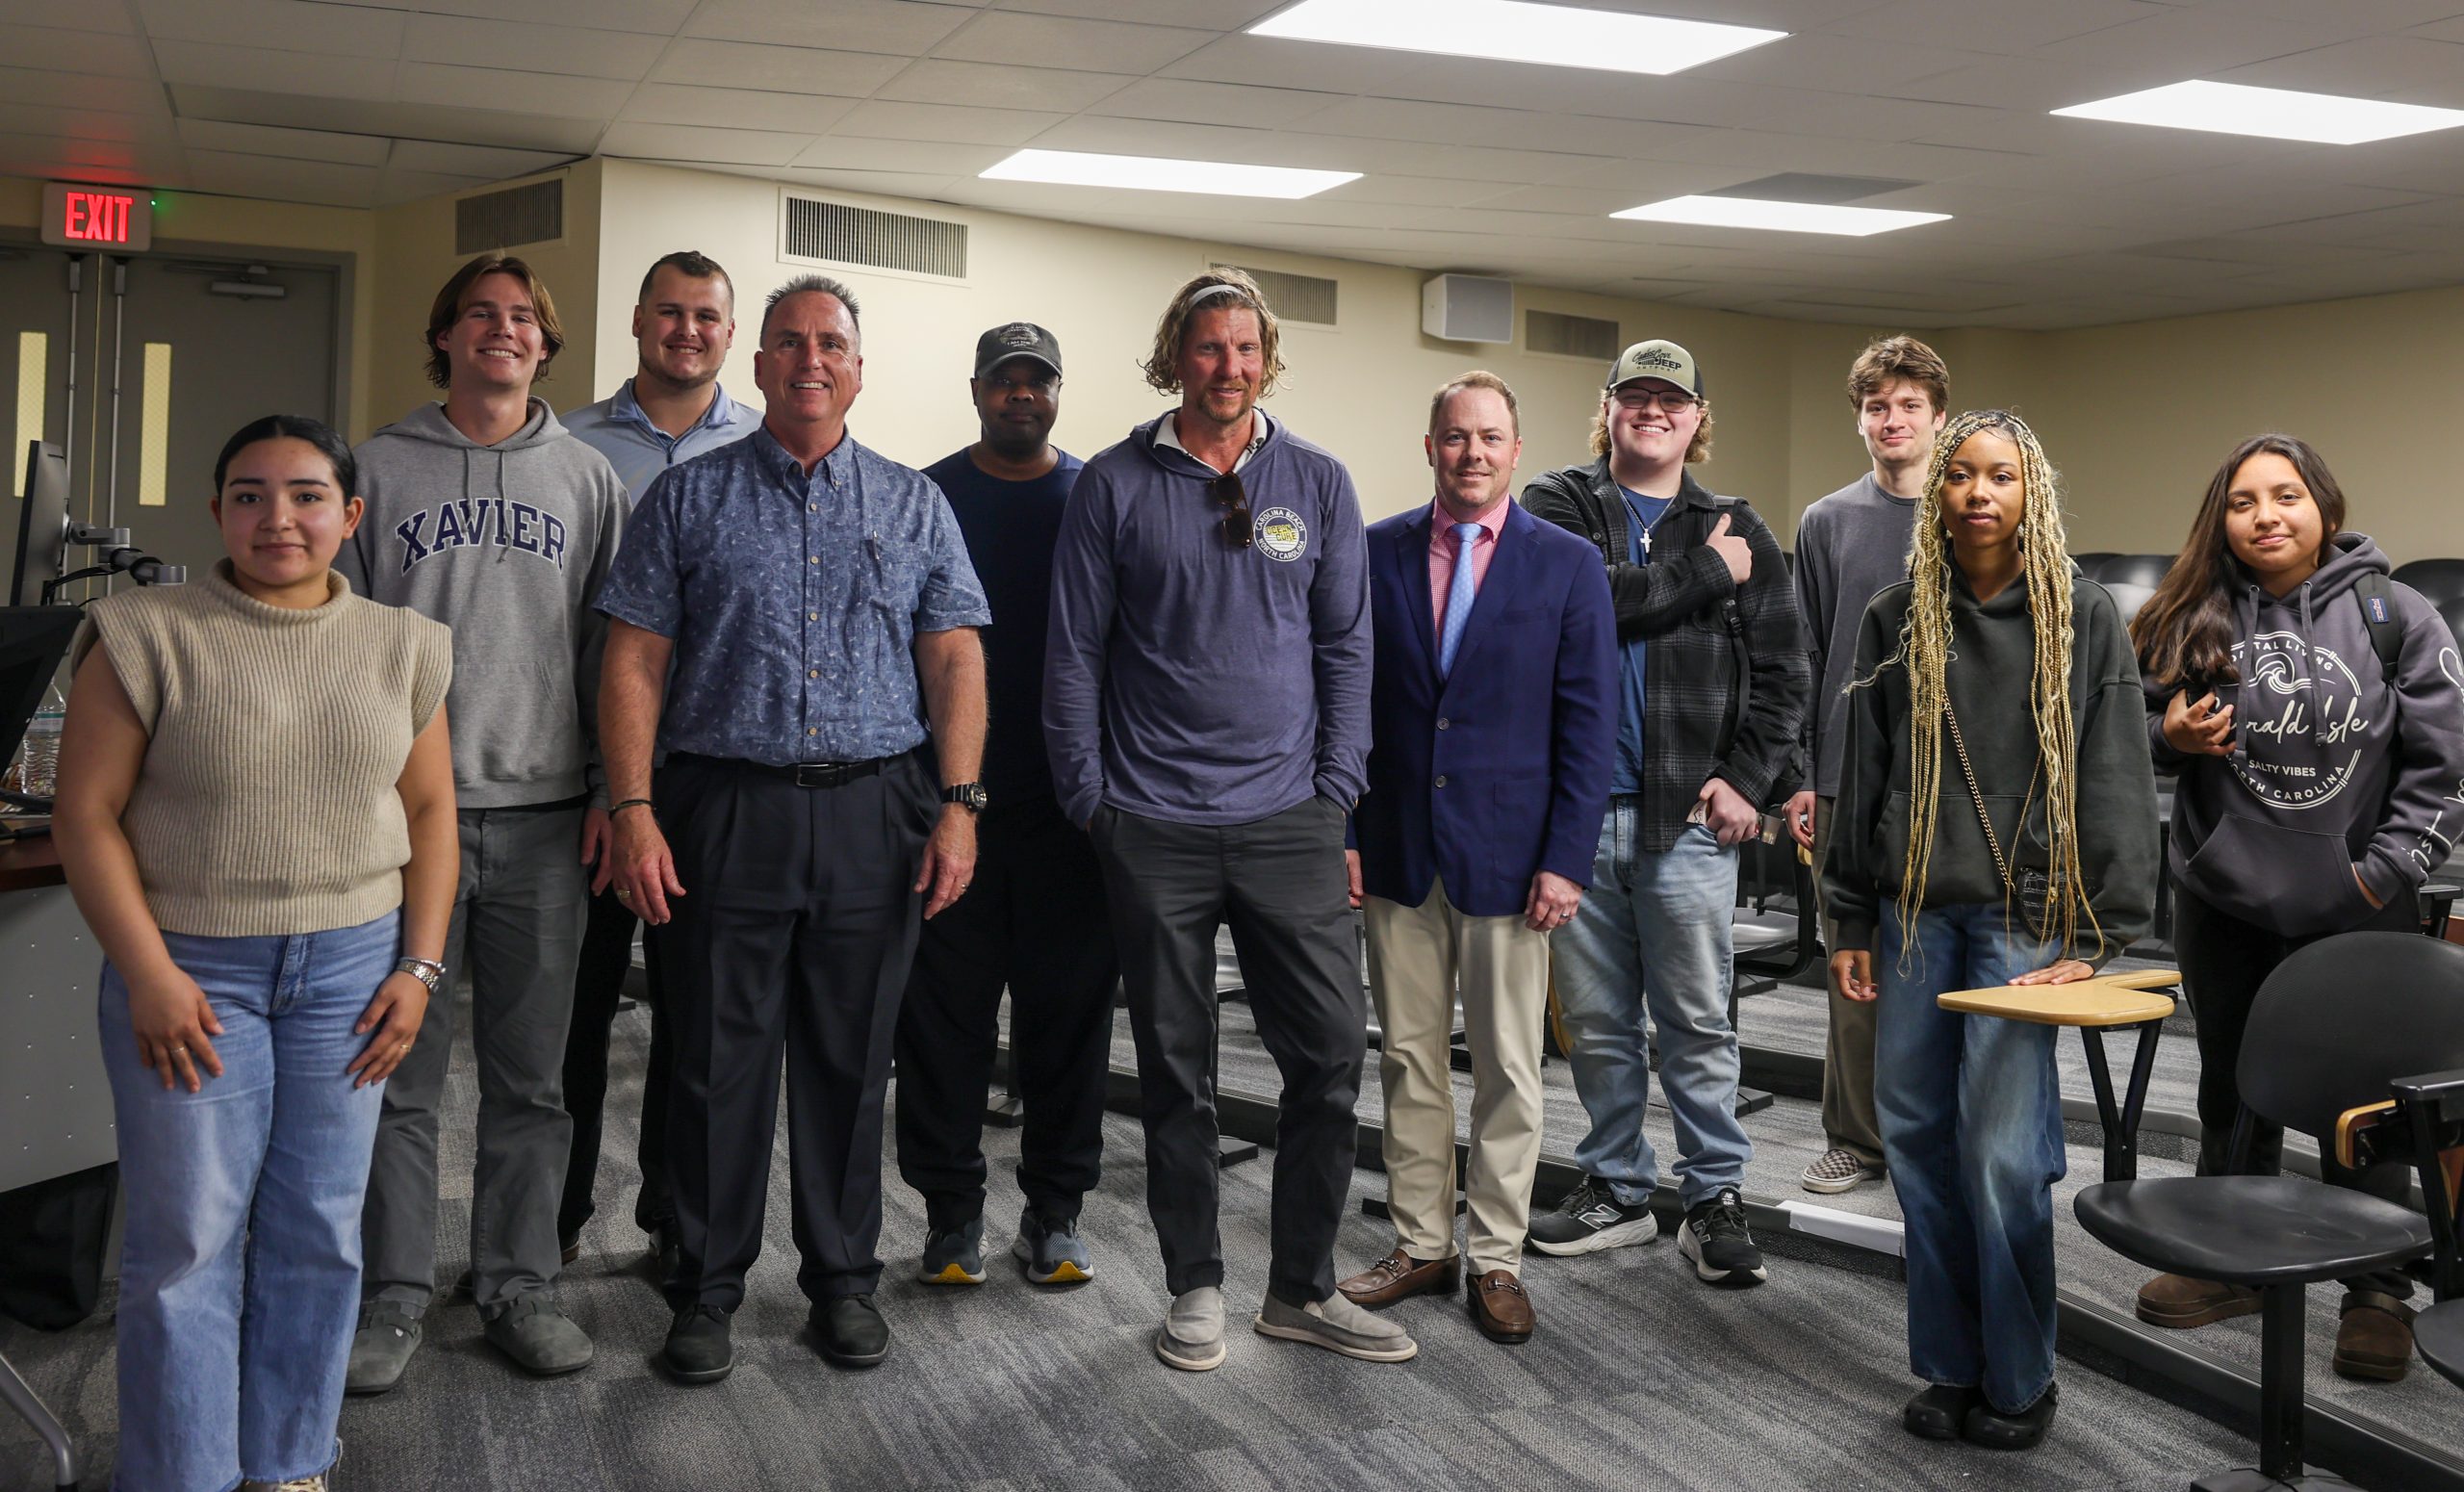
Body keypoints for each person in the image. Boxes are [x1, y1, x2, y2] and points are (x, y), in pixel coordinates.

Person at [597, 273, 990, 1385]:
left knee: (852, 1060)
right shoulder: (689, 497)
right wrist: (632, 808)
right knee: (713, 1060)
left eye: (831, 343)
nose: (810, 358)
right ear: (759, 363)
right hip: (726, 807)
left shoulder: (914, 503)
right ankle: (705, 1285)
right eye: (789, 341)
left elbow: (955, 658)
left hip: (877, 811)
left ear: (857, 369)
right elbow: (633, 659)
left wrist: (959, 807)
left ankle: (842, 1279)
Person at [54, 416, 455, 1492]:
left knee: (319, 1229)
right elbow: (84, 815)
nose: (279, 517)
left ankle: (288, 1463)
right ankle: (180, 1473)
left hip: (354, 971)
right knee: (188, 1241)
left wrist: (419, 969)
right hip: (194, 971)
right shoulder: (141, 632)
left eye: (307, 494)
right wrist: (149, 972)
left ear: (349, 514)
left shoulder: (404, 644)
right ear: (218, 510)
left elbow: (430, 814)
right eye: (249, 494)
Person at [1045, 269, 1397, 1371]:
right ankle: (1193, 1284)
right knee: (1175, 1067)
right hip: (1151, 822)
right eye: (1208, 347)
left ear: (1267, 358)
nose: (1229, 366)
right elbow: (1071, 654)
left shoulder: (1317, 481)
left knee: (1331, 1053)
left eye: (1246, 348)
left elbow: (1346, 646)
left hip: (1291, 817)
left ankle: (1300, 1287)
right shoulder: (1112, 484)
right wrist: (1091, 800)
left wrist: (1336, 786)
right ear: (1174, 357)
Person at [1825, 408, 2159, 1451]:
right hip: (1912, 915)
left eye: (2000, 475)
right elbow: (1863, 770)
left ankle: (2020, 1376)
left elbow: (2115, 771)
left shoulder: (2081, 614)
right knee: (1918, 1144)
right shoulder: (1895, 615)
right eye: (1961, 475)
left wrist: (2099, 933)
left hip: (2027, 918)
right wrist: (1846, 910)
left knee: (2003, 1155)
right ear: (1938, 493)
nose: (1979, 492)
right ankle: (1950, 1364)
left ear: (2030, 492)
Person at [339, 253, 629, 1391]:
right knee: (395, 1072)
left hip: (547, 823)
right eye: (478, 314)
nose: (501, 330)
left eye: (521, 318)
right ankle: (392, 1293)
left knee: (533, 1079)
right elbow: (337, 642)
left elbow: (613, 654)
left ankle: (517, 1283)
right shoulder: (376, 466)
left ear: (544, 345)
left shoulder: (588, 477)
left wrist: (610, 790)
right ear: (445, 336)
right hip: (404, 825)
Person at [2127, 432, 2464, 1382]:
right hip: (2223, 896)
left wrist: (2381, 873)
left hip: (2356, 900)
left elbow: (2444, 765)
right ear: (2220, 518)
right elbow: (2120, 730)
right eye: (2243, 501)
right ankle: (2232, 1260)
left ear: (2323, 503)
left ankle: (2377, 1288)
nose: (2265, 515)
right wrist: (2170, 734)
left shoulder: (2395, 615)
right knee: (2230, 1082)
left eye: (2285, 495)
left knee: (2369, 1098)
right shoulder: (2185, 613)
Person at [1334, 371, 1616, 1346]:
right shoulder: (1373, 551)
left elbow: (1589, 727)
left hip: (1514, 860)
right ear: (1430, 447)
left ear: (1516, 449)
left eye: (1490, 437)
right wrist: (1345, 831)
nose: (1472, 453)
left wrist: (1566, 860)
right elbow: (1344, 702)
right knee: (1408, 1058)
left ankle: (1496, 1256)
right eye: (1456, 437)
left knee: (1507, 1067)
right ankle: (1422, 1243)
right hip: (1397, 849)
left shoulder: (1566, 565)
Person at [1521, 340, 1807, 1287]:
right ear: (1606, 409)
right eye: (1634, 396)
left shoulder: (1737, 524)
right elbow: (1583, 605)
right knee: (1597, 1020)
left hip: (1685, 818)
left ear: (1696, 418)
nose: (1652, 411)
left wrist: (1748, 780)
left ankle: (1714, 1194)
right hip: (1573, 814)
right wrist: (1710, 573)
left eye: (1670, 400)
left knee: (1694, 1019)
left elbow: (1785, 675)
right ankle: (1616, 1188)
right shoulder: (1557, 504)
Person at [896, 322, 1119, 1288]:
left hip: (1071, 814)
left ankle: (1055, 1211)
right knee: (943, 1026)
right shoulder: (928, 494)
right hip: (950, 807)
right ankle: (951, 1217)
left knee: (1067, 1024)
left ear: (1057, 393)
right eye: (1004, 380)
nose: (1021, 394)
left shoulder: (1097, 495)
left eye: (1038, 381)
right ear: (978, 389)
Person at [556, 249, 757, 1281]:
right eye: (670, 312)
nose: (687, 330)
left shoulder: (765, 451)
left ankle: (673, 1215)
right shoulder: (567, 447)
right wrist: (606, 783)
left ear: (731, 334)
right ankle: (549, 1219)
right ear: (637, 320)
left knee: (695, 1022)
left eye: (706, 316)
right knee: (573, 1017)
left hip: (711, 782)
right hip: (587, 784)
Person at [1786, 335, 1949, 1196]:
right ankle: (1856, 1137)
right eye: (1878, 406)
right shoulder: (1827, 521)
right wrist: (1803, 778)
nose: (1893, 420)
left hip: (1948, 786)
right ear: (1859, 419)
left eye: (1909, 405)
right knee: (1854, 968)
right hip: (1847, 782)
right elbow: (1803, 657)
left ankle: (1935, 1135)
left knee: (1942, 966)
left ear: (1938, 417)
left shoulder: (1972, 510)